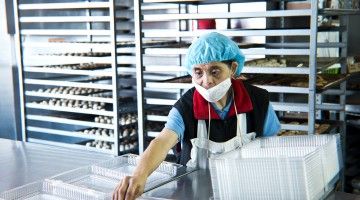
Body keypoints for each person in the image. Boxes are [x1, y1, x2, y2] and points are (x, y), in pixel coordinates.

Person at [112, 32, 281, 200]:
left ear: (233, 69)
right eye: (198, 72)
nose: (206, 81)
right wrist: (139, 175)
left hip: (247, 192)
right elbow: (162, 142)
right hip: (195, 194)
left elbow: (273, 150)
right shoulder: (185, 107)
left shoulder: (258, 102)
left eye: (215, 71)